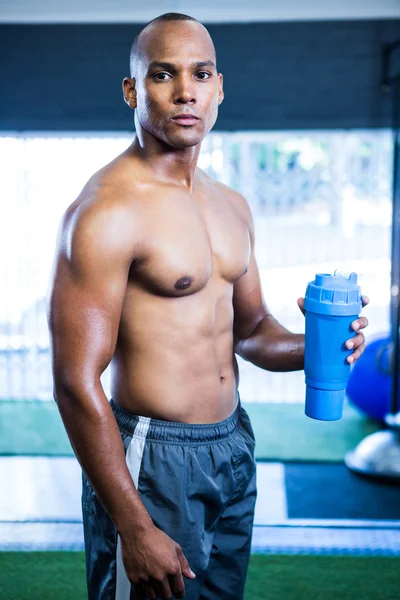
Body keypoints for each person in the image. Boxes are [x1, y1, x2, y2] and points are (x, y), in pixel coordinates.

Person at [46, 12, 369, 600]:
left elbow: (252, 333)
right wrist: (134, 524)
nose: (185, 90)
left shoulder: (233, 207)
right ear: (132, 91)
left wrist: (318, 346)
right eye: (163, 74)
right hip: (152, 456)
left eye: (201, 73)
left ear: (220, 89)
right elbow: (74, 381)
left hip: (232, 442)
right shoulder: (104, 212)